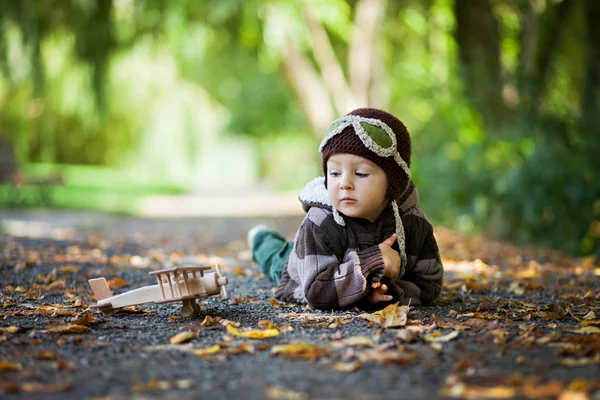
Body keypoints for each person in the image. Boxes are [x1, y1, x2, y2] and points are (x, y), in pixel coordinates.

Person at [248, 108, 443, 310]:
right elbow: (317, 290)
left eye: (360, 173)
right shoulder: (319, 221)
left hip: (335, 270)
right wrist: (372, 263)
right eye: (334, 173)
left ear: (393, 183)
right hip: (301, 265)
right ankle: (260, 238)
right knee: (273, 257)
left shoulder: (412, 222)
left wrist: (386, 292)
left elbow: (430, 283)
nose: (344, 183)